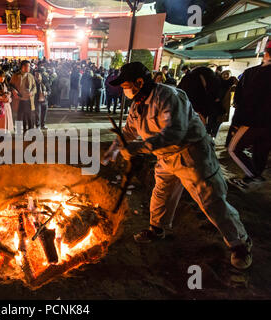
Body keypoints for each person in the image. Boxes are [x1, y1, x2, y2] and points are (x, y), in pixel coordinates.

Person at [105, 61, 252, 270]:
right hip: (165, 158)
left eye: (126, 84)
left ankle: (239, 243)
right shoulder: (137, 104)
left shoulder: (169, 96)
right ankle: (157, 228)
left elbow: (175, 133)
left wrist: (140, 147)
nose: (124, 89)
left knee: (210, 200)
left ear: (139, 82)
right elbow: (129, 130)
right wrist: (116, 147)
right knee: (161, 193)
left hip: (191, 155)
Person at [227, 42, 271, 190]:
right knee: (261, 150)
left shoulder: (255, 73)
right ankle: (254, 176)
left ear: (266, 53)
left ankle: (253, 175)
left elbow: (246, 100)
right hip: (267, 123)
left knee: (234, 149)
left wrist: (237, 121)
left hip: (254, 121)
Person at [10, 60, 37, 132]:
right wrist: (14, 91)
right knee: (19, 117)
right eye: (28, 66)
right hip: (19, 100)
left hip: (28, 100)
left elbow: (34, 87)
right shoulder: (15, 76)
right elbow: (10, 86)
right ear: (23, 67)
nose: (29, 68)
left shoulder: (30, 76)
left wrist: (31, 93)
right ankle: (20, 132)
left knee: (30, 117)